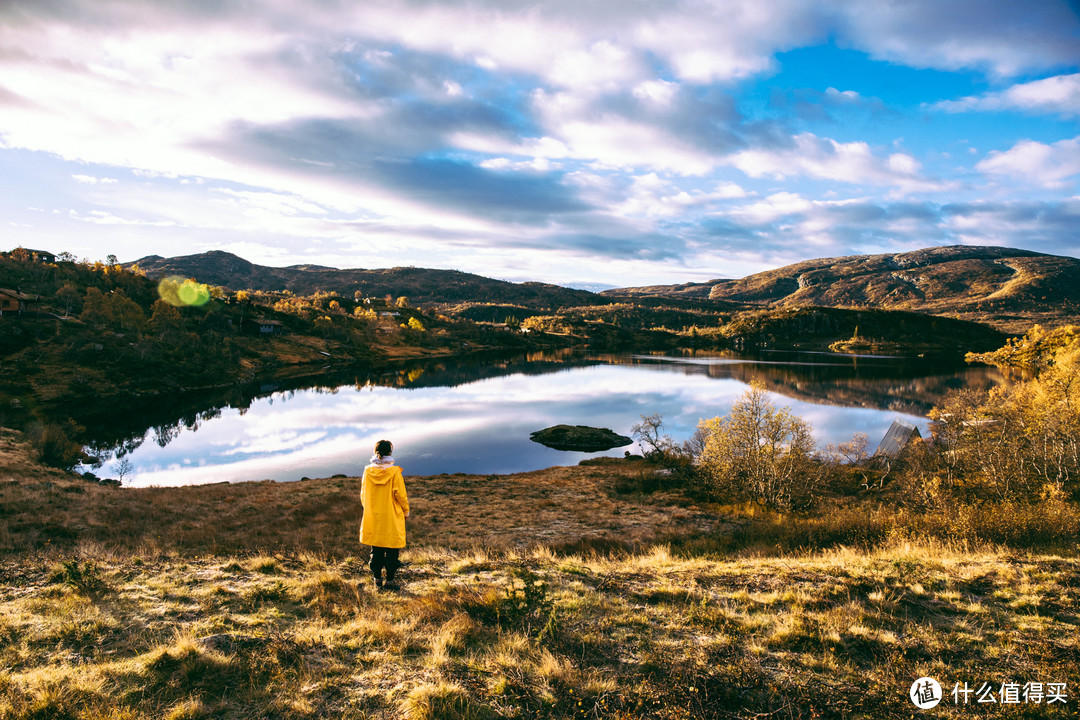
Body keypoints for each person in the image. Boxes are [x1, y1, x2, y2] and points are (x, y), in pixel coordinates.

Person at [359, 439, 410, 590]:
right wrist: (405, 511)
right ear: (390, 452)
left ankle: (376, 579)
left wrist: (370, 509)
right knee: (392, 549)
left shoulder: (368, 471)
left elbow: (363, 494)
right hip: (392, 516)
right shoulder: (394, 472)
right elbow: (400, 495)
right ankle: (390, 581)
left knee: (377, 549)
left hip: (374, 516)